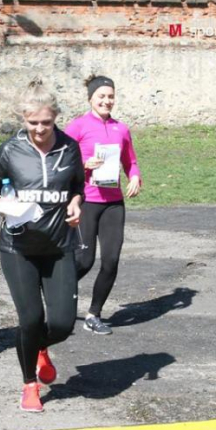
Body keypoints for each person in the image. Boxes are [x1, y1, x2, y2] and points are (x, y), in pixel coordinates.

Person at [0, 79, 85, 412]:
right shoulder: (10, 150)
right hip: (18, 249)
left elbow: (77, 187)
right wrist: (2, 205)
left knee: (63, 324)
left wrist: (76, 204)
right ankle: (30, 385)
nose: (40, 129)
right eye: (32, 123)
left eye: (46, 122)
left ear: (55, 117)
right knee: (30, 320)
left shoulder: (70, 148)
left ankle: (40, 347)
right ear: (22, 119)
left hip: (59, 246)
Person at [65, 75, 141, 335]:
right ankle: (56, 293)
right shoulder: (77, 127)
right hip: (86, 201)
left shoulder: (122, 129)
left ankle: (93, 314)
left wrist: (134, 176)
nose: (106, 101)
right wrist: (82, 166)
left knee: (111, 261)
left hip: (113, 203)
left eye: (110, 96)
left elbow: (130, 160)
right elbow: (61, 161)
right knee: (84, 261)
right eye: (101, 96)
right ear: (91, 99)